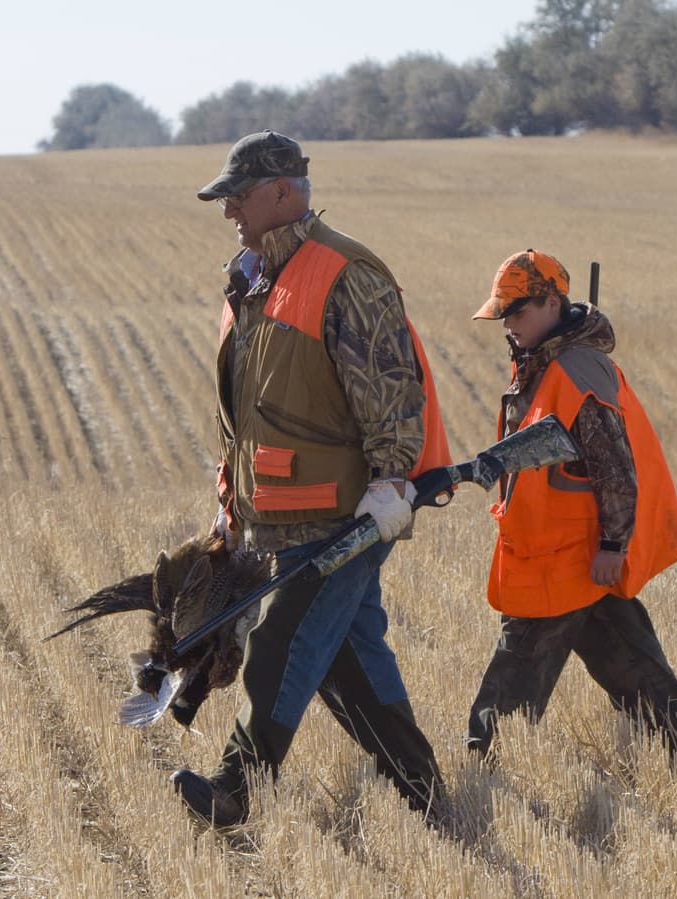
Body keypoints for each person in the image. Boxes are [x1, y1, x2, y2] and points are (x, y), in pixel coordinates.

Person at [169, 130, 452, 829]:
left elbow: (391, 387)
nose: (229, 210)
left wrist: (391, 482)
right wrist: (231, 503)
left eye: (238, 196)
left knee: (283, 643)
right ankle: (424, 795)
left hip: (341, 514)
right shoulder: (251, 281)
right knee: (346, 660)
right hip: (279, 513)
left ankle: (236, 788)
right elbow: (246, 413)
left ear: (282, 192)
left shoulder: (345, 273)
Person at [466, 249, 677, 761]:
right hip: (565, 551)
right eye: (502, 314)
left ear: (552, 303)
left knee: (516, 670)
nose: (508, 324)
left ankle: (487, 764)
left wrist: (613, 545)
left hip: (567, 555)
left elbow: (615, 466)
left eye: (518, 311)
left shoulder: (575, 371)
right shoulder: (544, 362)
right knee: (630, 662)